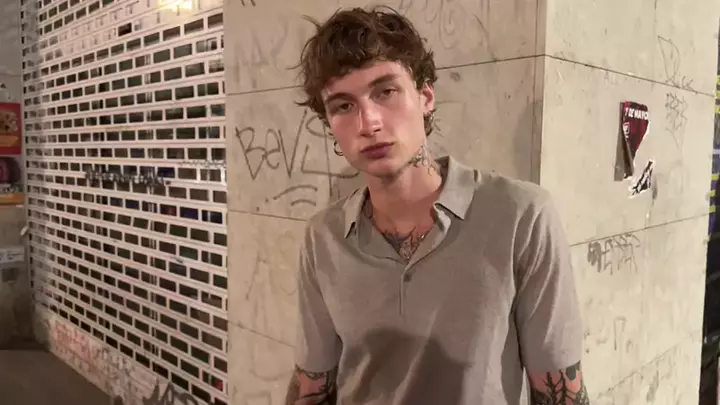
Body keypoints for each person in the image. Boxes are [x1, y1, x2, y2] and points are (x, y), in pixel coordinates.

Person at [286, 6, 589, 405]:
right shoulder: (323, 237)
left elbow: (559, 393)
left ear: (425, 96)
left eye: (386, 92)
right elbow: (313, 386)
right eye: (343, 106)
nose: (368, 123)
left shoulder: (521, 216)